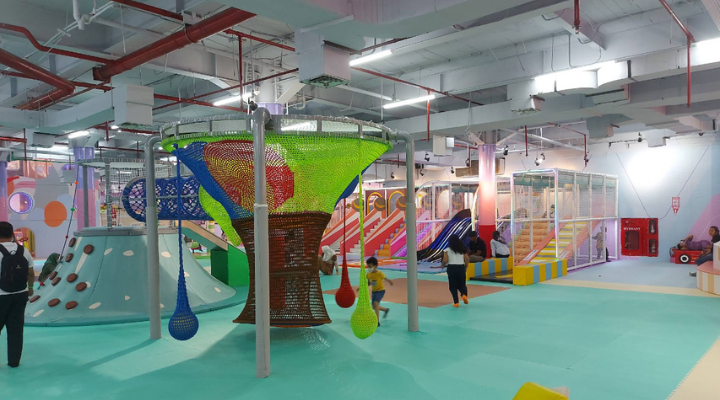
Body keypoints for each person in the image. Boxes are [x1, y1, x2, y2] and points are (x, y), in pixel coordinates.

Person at [0, 222, 34, 368]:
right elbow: (31, 273)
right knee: (16, 329)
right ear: (12, 233)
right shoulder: (23, 250)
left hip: (1, 295)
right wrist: (30, 287)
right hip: (20, 294)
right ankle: (14, 361)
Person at [441, 234, 470, 308]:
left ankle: (456, 302)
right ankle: (463, 294)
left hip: (452, 268)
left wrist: (442, 265)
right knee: (462, 284)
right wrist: (466, 267)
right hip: (461, 267)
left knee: (453, 285)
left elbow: (445, 260)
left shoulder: (447, 250)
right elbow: (467, 259)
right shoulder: (462, 249)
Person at [366, 257, 392, 326]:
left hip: (380, 291)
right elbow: (369, 283)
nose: (369, 268)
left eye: (370, 266)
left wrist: (389, 281)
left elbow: (385, 278)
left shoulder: (379, 273)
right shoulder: (368, 274)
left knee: (375, 303)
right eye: (368, 266)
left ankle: (377, 321)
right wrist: (362, 287)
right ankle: (385, 309)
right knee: (374, 306)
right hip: (374, 292)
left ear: (375, 266)